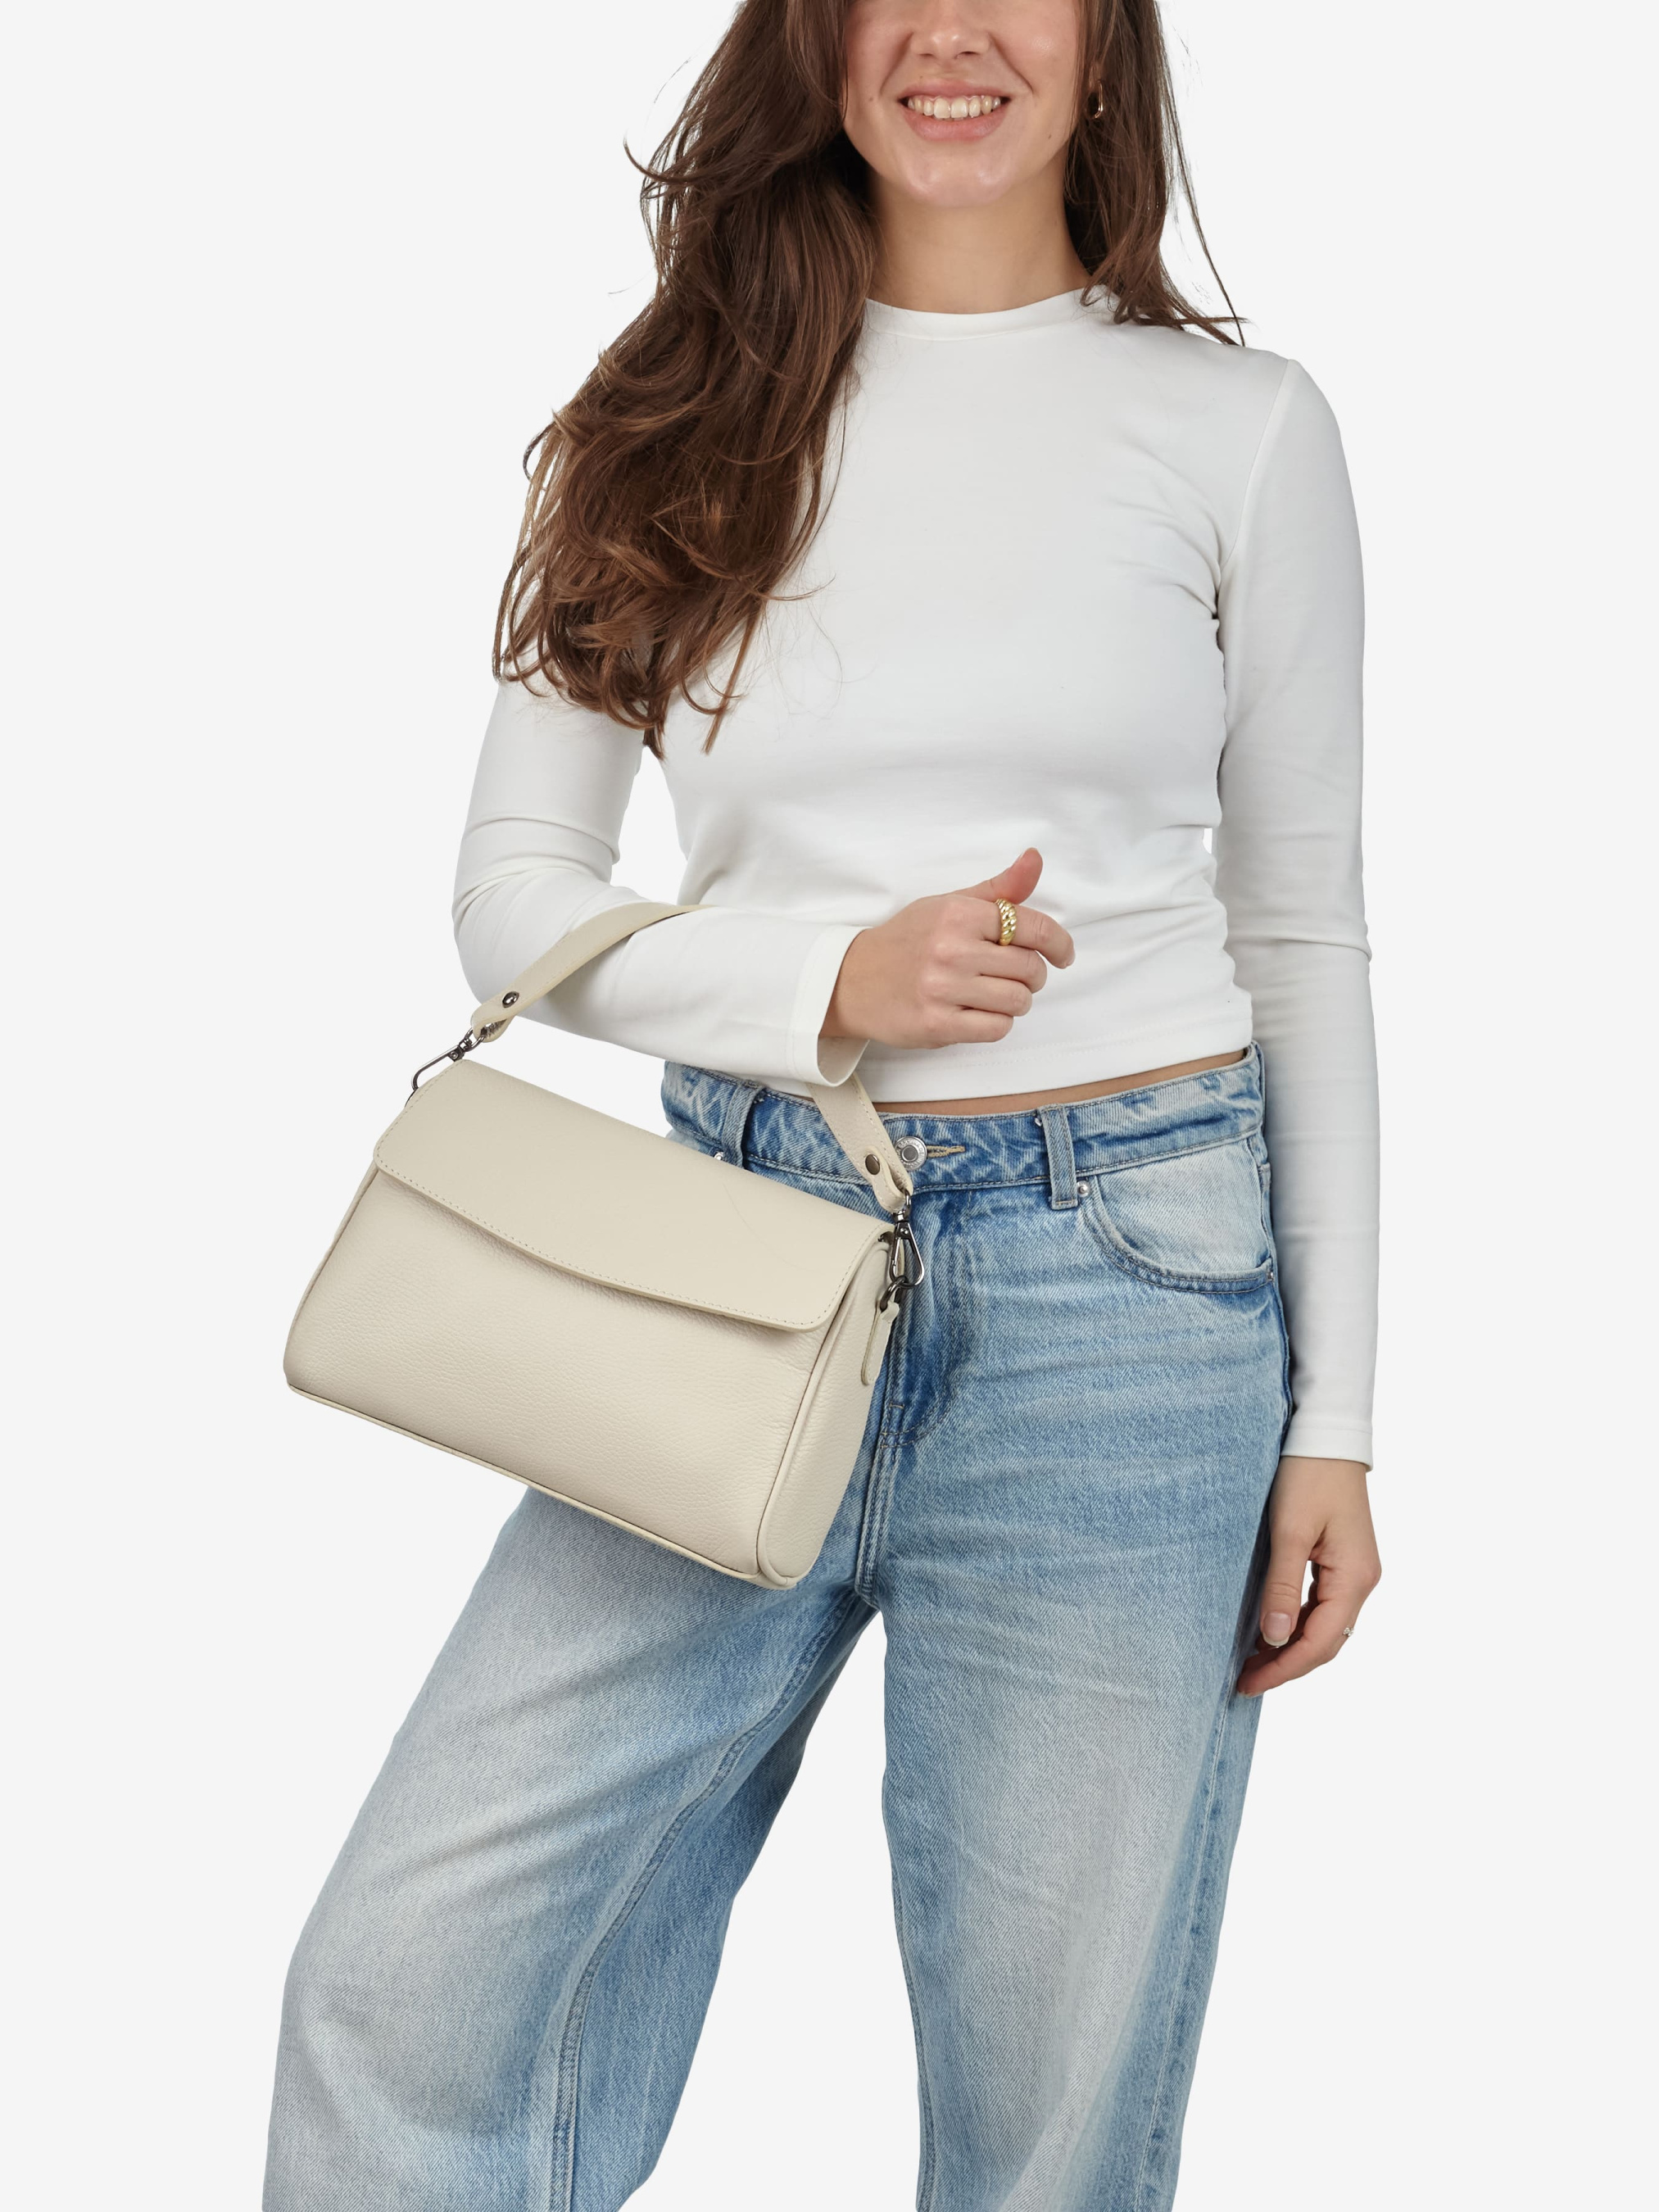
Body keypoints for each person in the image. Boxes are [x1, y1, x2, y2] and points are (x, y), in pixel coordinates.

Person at [265, 2, 1381, 2205]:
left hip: (1131, 1301)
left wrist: (1334, 1416)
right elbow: (512, 895)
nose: (950, 32)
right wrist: (817, 987)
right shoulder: (667, 410)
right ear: (814, 40)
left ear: (1103, 45)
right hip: (740, 1259)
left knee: (1043, 2113)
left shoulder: (1240, 428)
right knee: (407, 1982)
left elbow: (1305, 931)